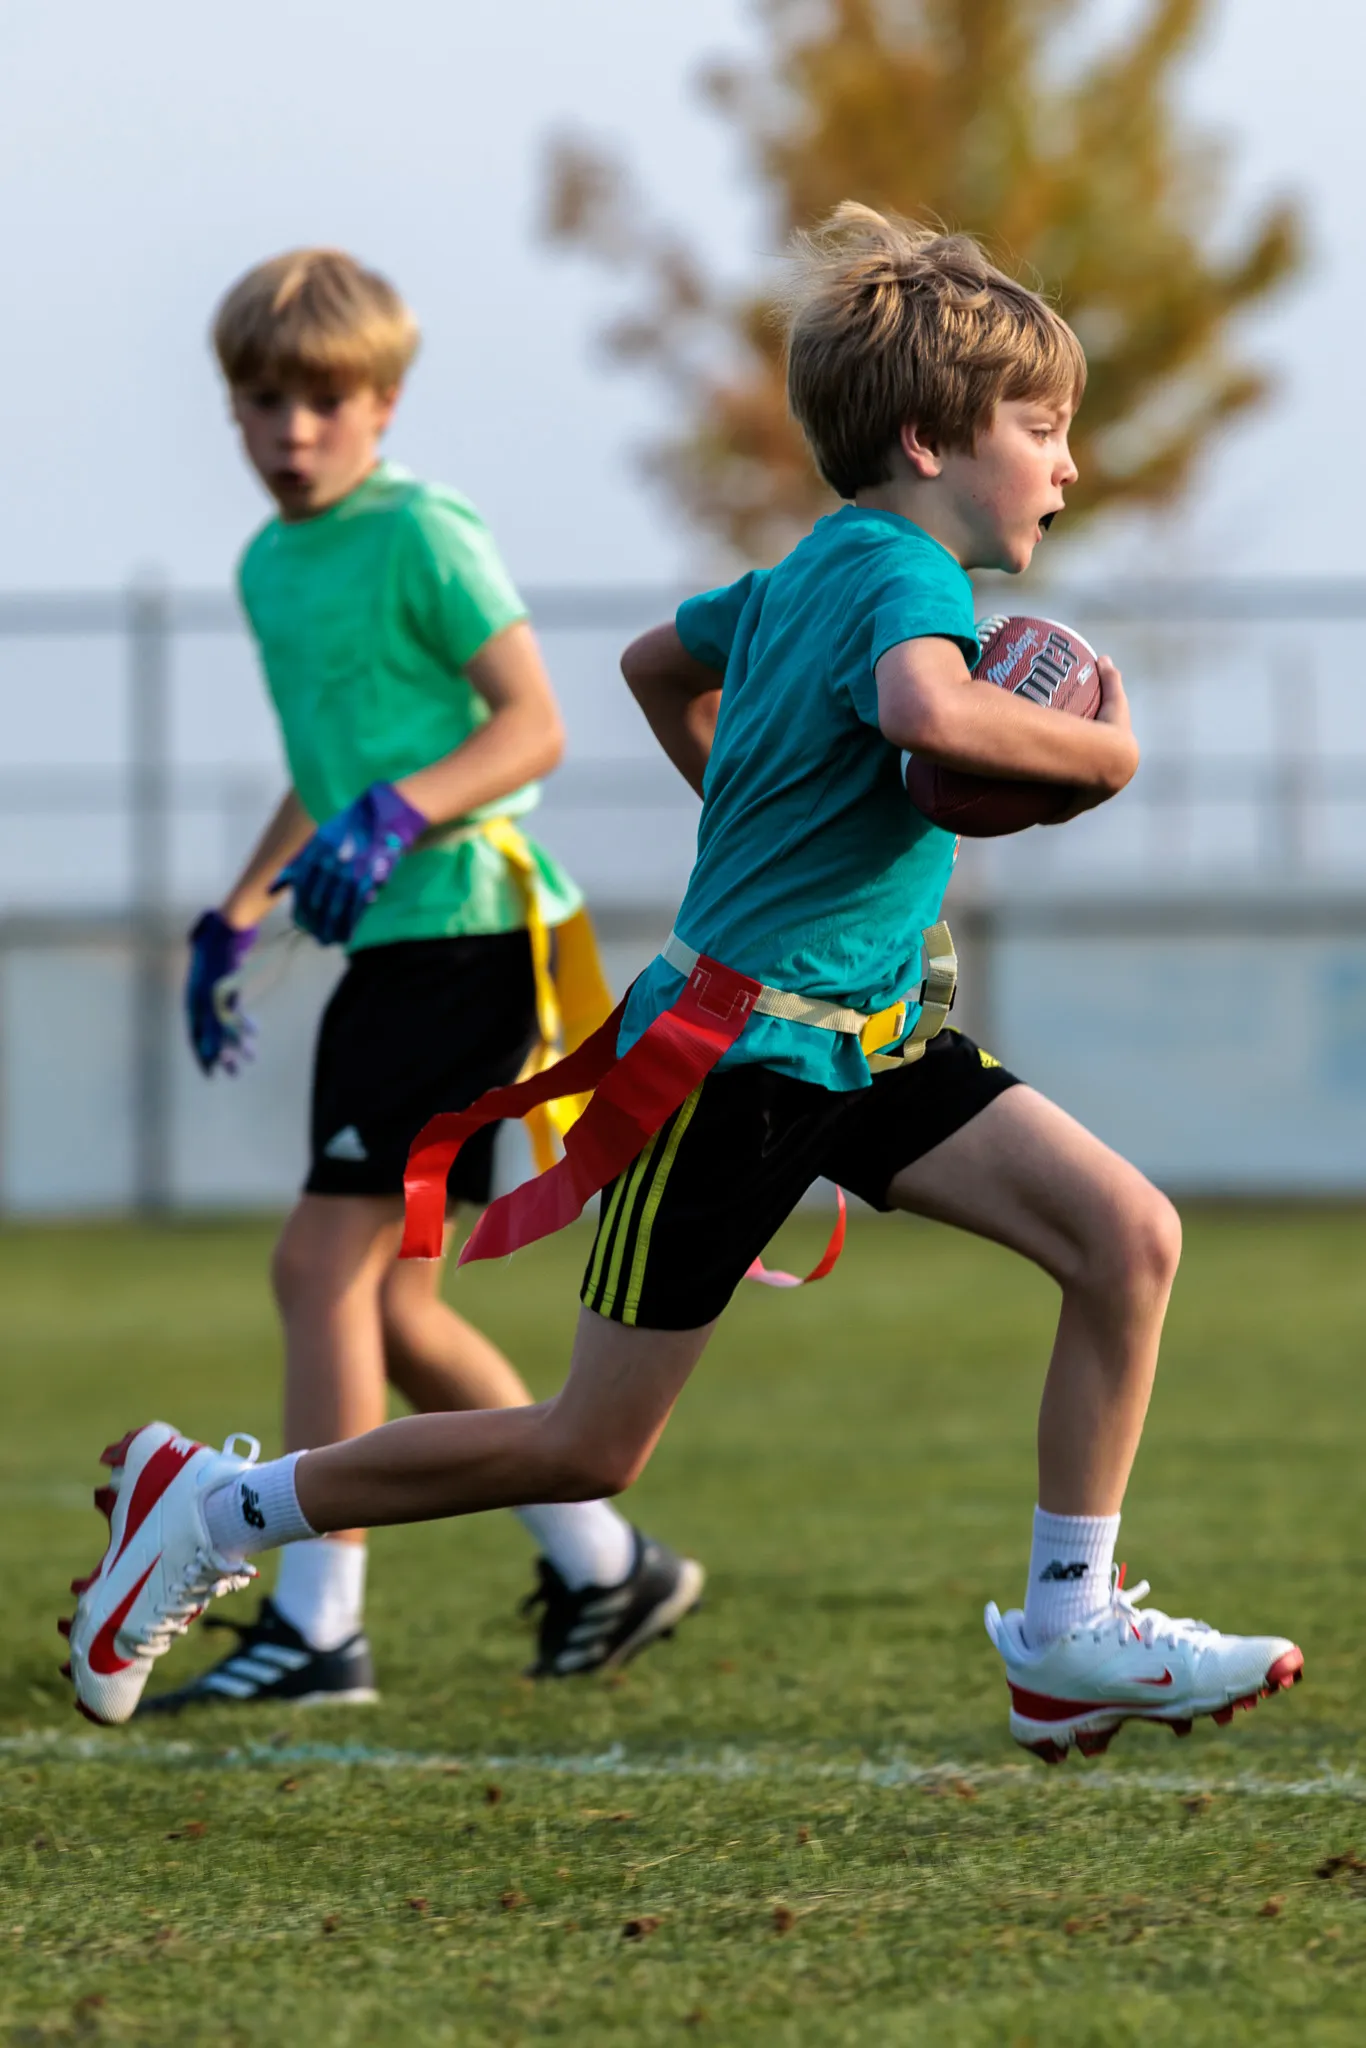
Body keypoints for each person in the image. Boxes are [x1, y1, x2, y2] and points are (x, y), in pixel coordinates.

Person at [65, 209, 1302, 1758]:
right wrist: (1105, 754)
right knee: (590, 1445)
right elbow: (935, 719)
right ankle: (218, 1506)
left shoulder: (807, 574)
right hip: (733, 1059)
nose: (1066, 466)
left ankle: (1067, 1631)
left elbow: (660, 662)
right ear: (927, 440)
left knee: (1125, 1238)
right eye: (1042, 431)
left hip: (868, 1041)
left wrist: (757, 817)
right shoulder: (906, 582)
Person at [134, 249, 703, 1712]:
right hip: (394, 947)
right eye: (264, 401)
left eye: (327, 400)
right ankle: (601, 1562)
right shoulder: (272, 566)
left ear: (383, 403)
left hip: (465, 934)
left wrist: (402, 812)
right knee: (386, 1307)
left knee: (314, 1266)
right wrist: (241, 907)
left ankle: (317, 1624)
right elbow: (329, 771)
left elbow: (530, 728)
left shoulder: (421, 533)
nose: (294, 430)